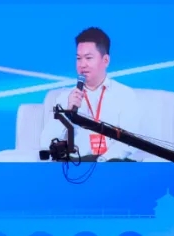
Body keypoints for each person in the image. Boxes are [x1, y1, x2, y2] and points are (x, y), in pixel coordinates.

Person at [39, 27, 139, 162]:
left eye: (88, 58)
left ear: (105, 60)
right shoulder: (65, 97)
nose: (82, 64)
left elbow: (129, 142)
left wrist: (102, 161)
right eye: (78, 58)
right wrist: (68, 112)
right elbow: (46, 142)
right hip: (76, 164)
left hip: (112, 164)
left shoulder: (125, 95)